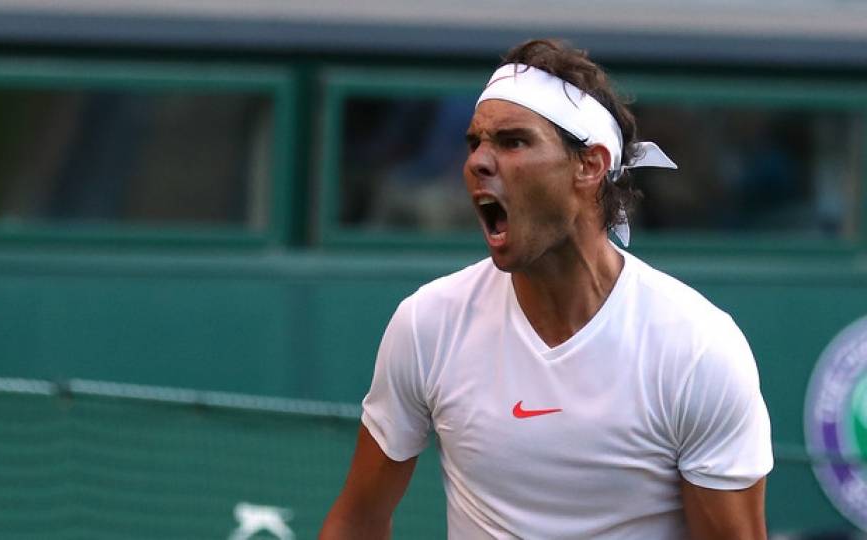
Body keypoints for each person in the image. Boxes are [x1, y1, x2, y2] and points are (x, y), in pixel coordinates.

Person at [320, 38, 773, 539]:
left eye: (513, 142)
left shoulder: (697, 348)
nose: (477, 163)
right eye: (475, 143)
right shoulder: (427, 323)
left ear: (590, 165)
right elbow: (357, 521)